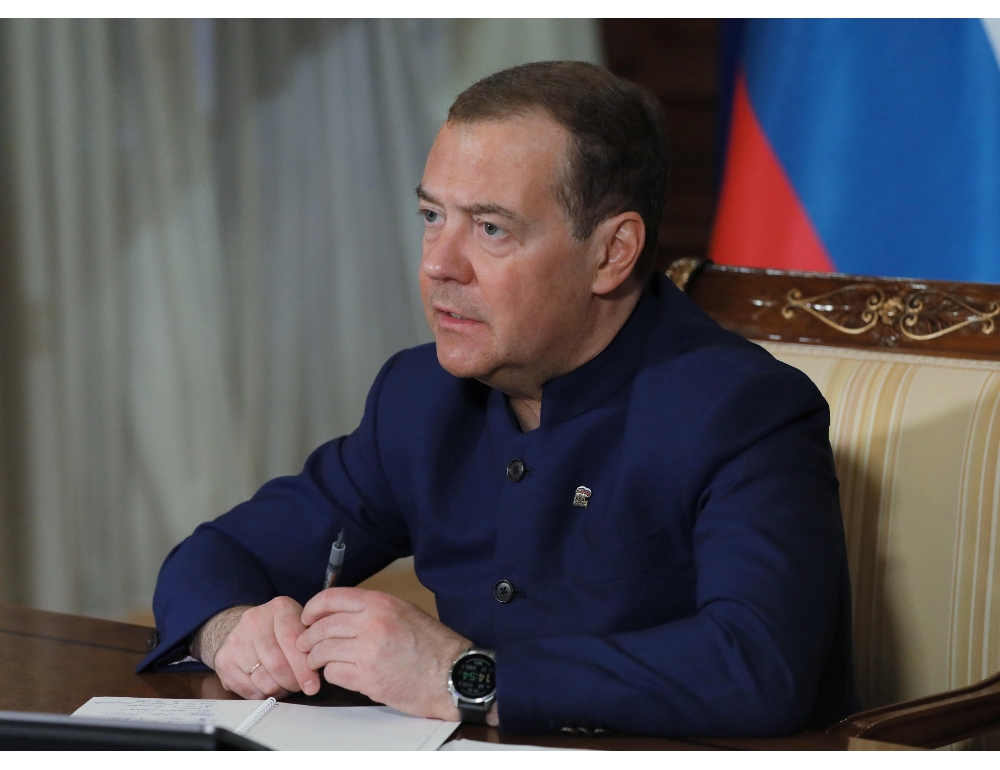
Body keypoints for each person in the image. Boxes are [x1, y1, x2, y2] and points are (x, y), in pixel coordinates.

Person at [140, 60, 858, 737]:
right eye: (432, 216)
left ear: (612, 253)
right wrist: (231, 631)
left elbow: (758, 665)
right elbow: (217, 555)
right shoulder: (419, 396)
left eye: (491, 229)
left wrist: (460, 677)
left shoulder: (744, 410)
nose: (438, 265)